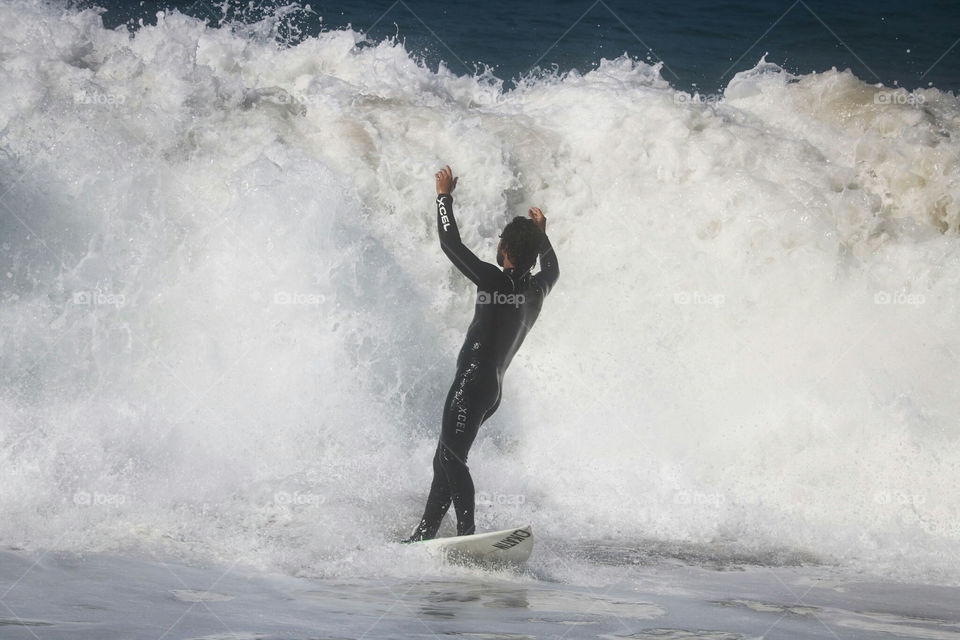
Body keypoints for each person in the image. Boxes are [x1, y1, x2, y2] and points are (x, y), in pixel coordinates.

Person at [403, 165, 559, 542]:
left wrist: (443, 197)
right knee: (446, 459)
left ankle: (468, 535)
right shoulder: (538, 289)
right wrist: (543, 236)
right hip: (493, 391)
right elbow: (553, 267)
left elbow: (449, 244)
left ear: (503, 248)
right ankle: (424, 534)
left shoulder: (493, 279)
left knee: (451, 459)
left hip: (471, 384)